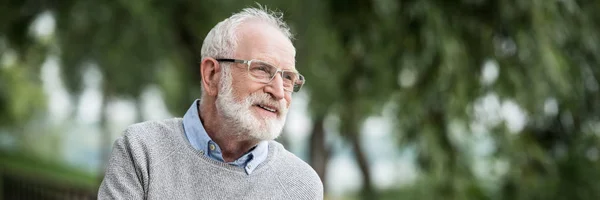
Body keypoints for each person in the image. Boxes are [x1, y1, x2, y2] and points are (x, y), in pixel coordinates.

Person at [98, 6, 323, 200]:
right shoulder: (142, 151)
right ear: (212, 75)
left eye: (287, 78)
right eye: (262, 69)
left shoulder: (302, 186)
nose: (278, 92)